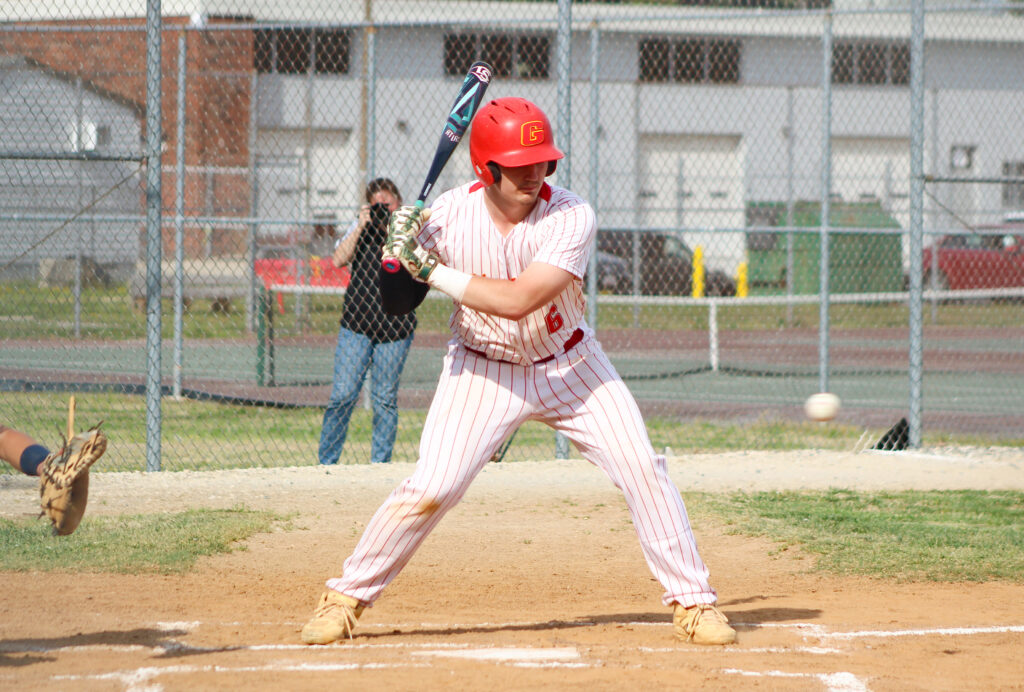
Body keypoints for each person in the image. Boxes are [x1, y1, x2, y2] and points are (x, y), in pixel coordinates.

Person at [301, 97, 736, 646]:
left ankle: (694, 602)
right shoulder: (449, 215)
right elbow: (396, 304)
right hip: (482, 369)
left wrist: (428, 267)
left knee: (643, 469)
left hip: (573, 367)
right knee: (432, 486)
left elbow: (518, 300)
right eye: (519, 164)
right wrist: (396, 254)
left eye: (542, 161)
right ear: (486, 170)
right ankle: (346, 597)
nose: (535, 173)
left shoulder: (571, 214)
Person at [318, 178, 417, 465]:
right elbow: (338, 260)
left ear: (399, 202)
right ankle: (326, 464)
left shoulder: (410, 229)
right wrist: (362, 225)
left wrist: (390, 228)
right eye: (376, 205)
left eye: (388, 203)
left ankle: (379, 465)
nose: (382, 209)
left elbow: (414, 263)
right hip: (357, 325)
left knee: (384, 399)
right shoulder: (360, 227)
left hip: (395, 328)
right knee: (343, 395)